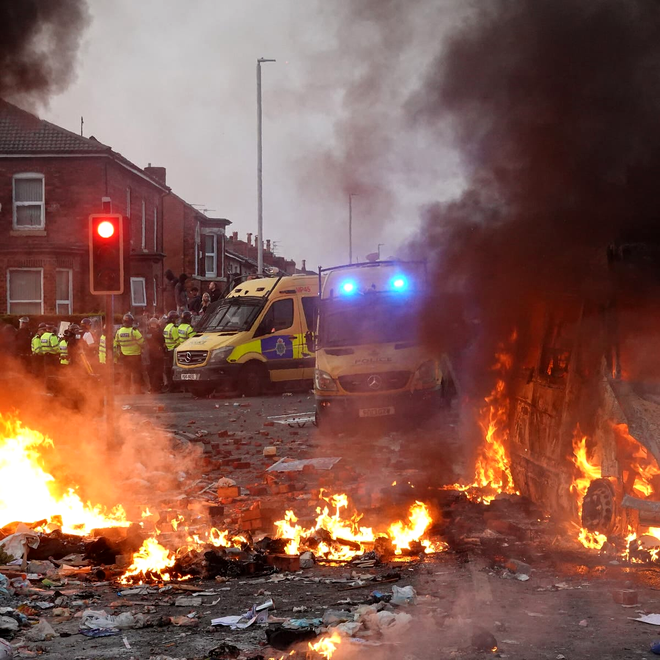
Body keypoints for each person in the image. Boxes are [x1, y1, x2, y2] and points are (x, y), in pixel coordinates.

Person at [114, 313, 145, 394]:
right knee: (137, 374)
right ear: (131, 321)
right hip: (135, 356)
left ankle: (126, 391)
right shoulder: (134, 331)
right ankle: (138, 390)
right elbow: (142, 342)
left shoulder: (119, 332)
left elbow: (116, 343)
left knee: (126, 374)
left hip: (124, 356)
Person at [145, 317, 166, 393]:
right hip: (158, 354)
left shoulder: (148, 333)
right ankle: (157, 388)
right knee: (158, 371)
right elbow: (163, 342)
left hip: (150, 354)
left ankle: (152, 387)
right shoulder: (158, 333)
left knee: (151, 371)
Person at [163, 310, 180, 390]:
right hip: (174, 350)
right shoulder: (174, 328)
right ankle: (175, 386)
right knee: (174, 369)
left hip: (169, 350)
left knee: (169, 369)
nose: (177, 321)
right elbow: (178, 341)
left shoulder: (166, 328)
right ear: (173, 319)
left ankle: (170, 386)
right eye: (176, 319)